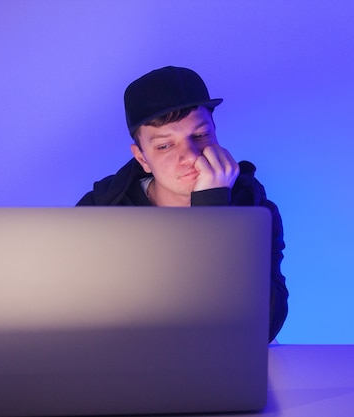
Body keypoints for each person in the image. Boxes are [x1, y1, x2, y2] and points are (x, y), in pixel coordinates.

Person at [77, 66, 288, 342]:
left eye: (200, 136)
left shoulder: (253, 206)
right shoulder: (100, 210)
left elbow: (264, 328)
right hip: (125, 373)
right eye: (165, 145)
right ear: (141, 158)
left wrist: (212, 210)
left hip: (223, 371)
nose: (189, 155)